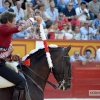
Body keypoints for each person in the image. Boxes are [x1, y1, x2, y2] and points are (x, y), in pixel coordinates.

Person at [0, 11, 42, 98]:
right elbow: (20, 28)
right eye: (14, 21)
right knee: (21, 82)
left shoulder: (4, 31)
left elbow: (2, 52)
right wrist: (33, 18)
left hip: (2, 63)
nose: (15, 23)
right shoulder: (2, 28)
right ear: (8, 21)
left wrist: (12, 56)